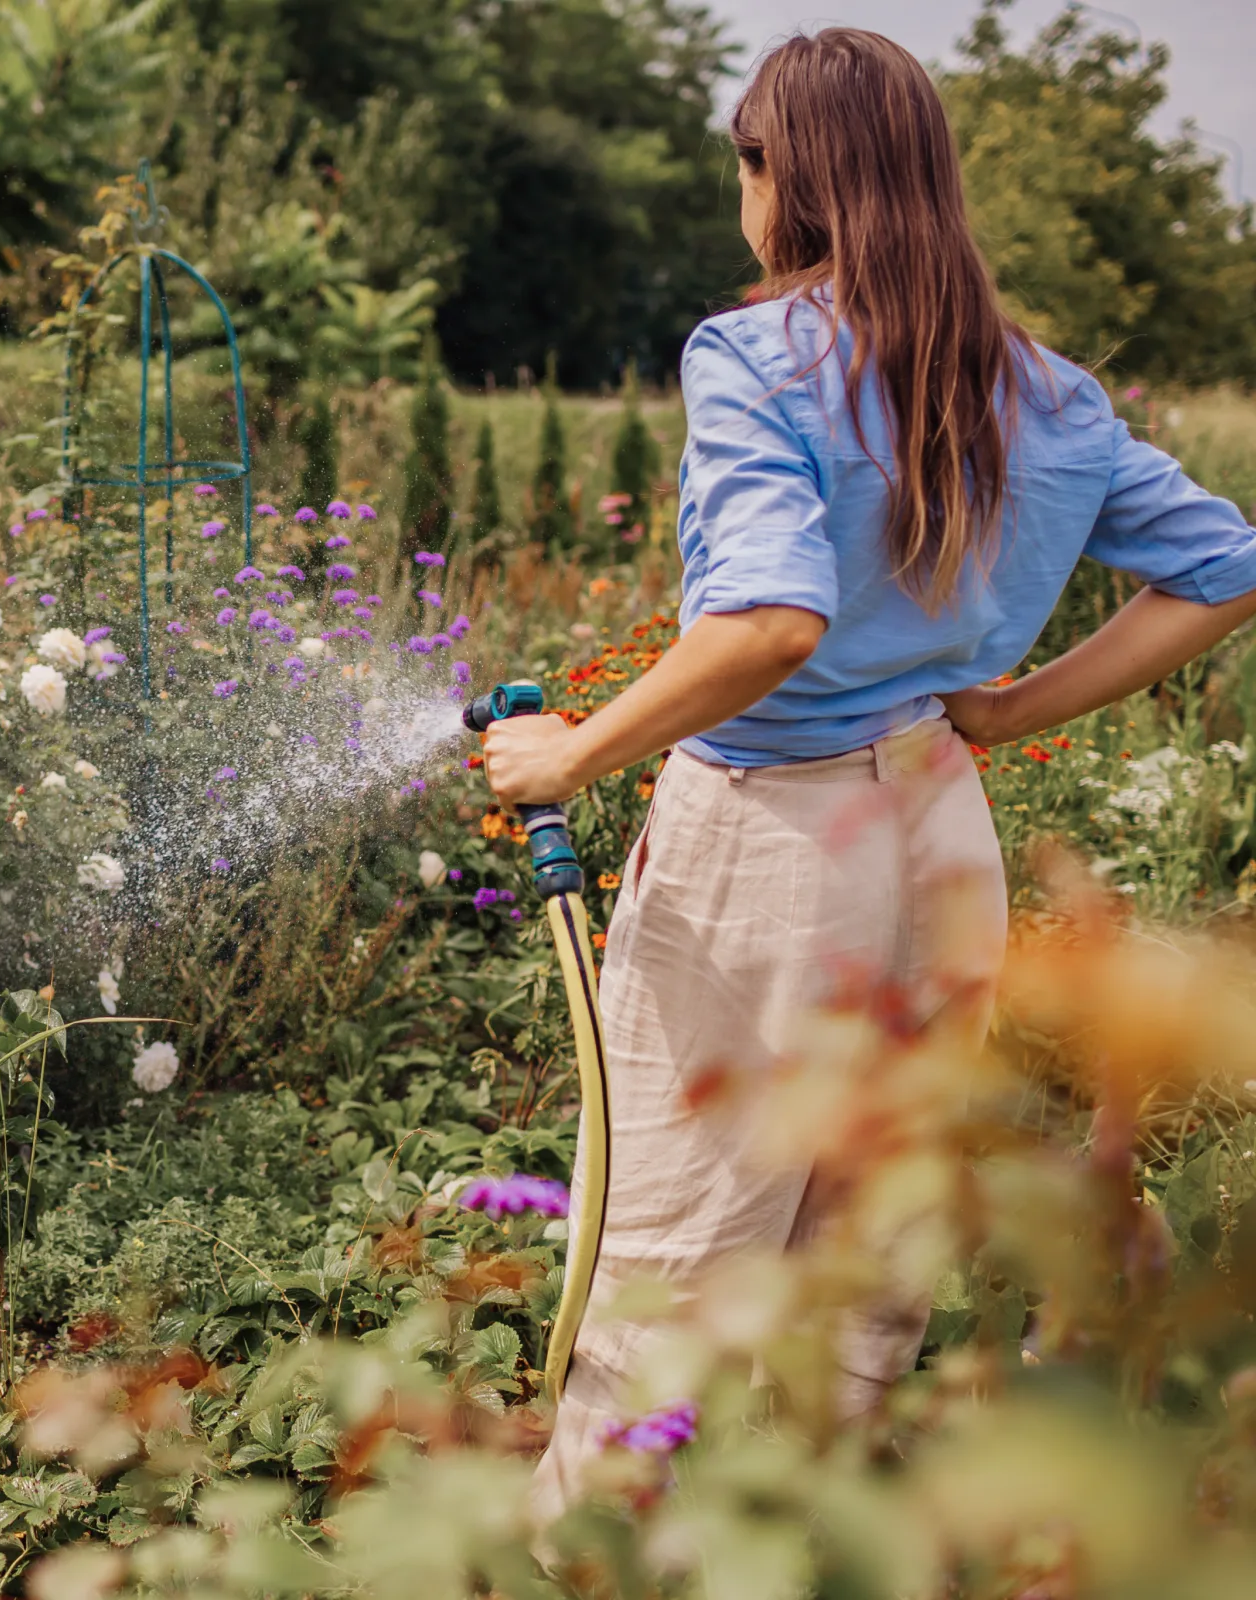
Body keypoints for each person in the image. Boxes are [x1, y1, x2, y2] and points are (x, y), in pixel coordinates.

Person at [482, 27, 1256, 1516]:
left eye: (746, 168)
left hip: (771, 842)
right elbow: (1226, 568)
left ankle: (602, 1554)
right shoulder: (1043, 387)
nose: (742, 201)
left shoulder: (758, 353)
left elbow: (772, 619)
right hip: (937, 839)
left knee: (677, 1246)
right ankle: (821, 1530)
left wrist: (572, 749)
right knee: (868, 1236)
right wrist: (1015, 712)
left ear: (790, 182)